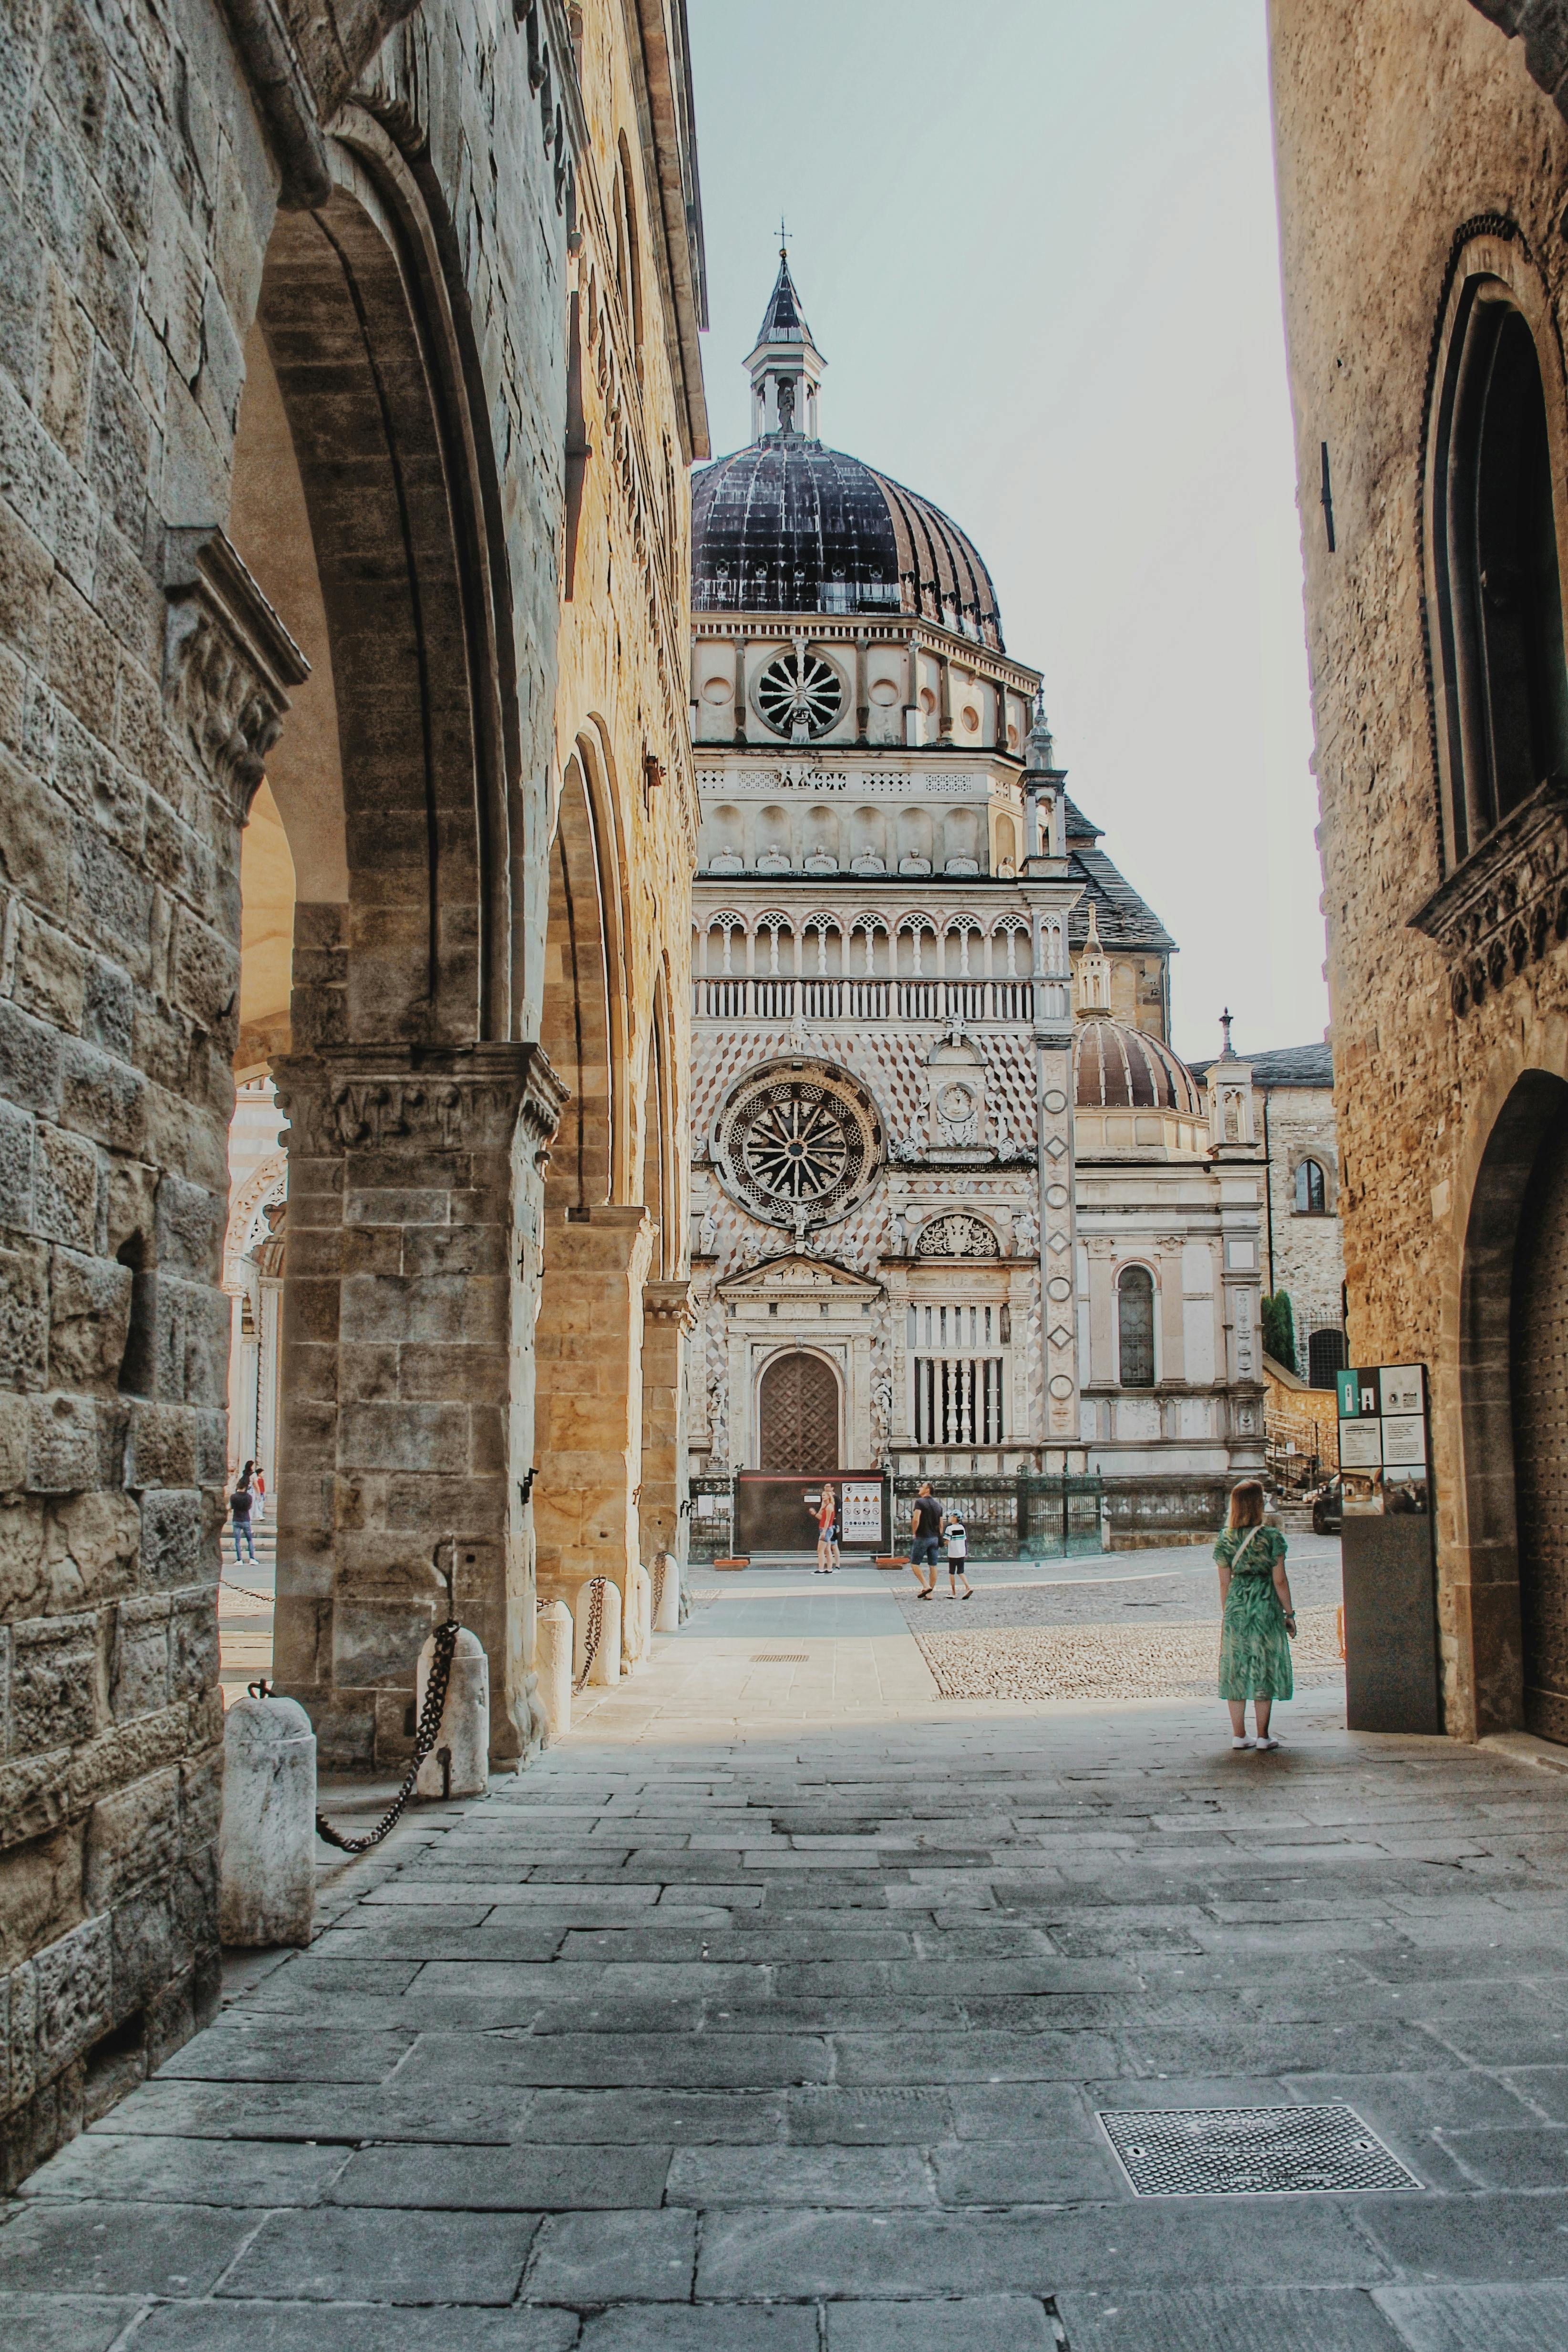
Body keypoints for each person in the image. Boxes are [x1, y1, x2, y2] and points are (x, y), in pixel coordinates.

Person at [1215, 1478, 1296, 1750]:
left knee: (1236, 1668)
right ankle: (1263, 1736)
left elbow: (1224, 1583)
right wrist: (1289, 1613)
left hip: (1237, 1607)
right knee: (1264, 1666)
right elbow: (1280, 1581)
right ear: (1259, 1504)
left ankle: (1239, 1735)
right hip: (1265, 1607)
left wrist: (1229, 1614)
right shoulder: (1272, 1538)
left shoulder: (1226, 1539)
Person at [908, 1482, 942, 1599]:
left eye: (922, 1487)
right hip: (935, 1538)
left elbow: (916, 1519)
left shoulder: (920, 1502)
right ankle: (930, 1593)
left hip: (923, 1537)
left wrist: (914, 1532)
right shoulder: (938, 1505)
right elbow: (941, 1524)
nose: (919, 1488)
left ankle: (926, 1585)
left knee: (915, 1564)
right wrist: (939, 1537)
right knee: (933, 1565)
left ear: (927, 1490)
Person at [942, 1508, 973, 1599]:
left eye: (951, 1516)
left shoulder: (950, 1528)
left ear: (955, 1518)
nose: (949, 1517)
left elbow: (947, 1541)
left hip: (953, 1554)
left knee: (952, 1573)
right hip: (961, 1553)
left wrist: (941, 1544)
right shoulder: (962, 1528)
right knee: (961, 1572)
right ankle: (968, 1587)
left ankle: (954, 1592)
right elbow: (964, 1540)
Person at [230, 1461, 257, 1566]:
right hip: (246, 1520)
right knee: (250, 1540)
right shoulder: (249, 1497)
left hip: (236, 1520)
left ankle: (239, 1560)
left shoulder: (233, 1497)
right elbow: (249, 1507)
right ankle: (252, 1558)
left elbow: (232, 1507)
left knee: (237, 1541)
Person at [812, 1483, 837, 1576]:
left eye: (825, 1495)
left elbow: (827, 1521)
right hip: (826, 1529)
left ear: (829, 1496)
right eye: (822, 1495)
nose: (823, 1497)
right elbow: (822, 1518)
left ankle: (821, 1569)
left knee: (820, 1550)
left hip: (826, 1530)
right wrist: (816, 1512)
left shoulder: (829, 1507)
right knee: (827, 1550)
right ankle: (829, 1569)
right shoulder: (827, 1506)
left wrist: (824, 1532)